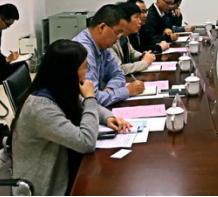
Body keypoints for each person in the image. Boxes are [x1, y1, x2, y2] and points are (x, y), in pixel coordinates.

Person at [12, 40, 132, 196]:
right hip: (47, 188)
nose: (86, 73)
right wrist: (90, 98)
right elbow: (86, 142)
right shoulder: (40, 108)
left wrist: (108, 117)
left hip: (67, 169)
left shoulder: (59, 89)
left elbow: (88, 106)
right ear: (68, 71)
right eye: (84, 67)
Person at [73, 5, 145, 107]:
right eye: (118, 33)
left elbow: (118, 74)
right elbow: (91, 98)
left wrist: (109, 91)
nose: (118, 38)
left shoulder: (103, 45)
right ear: (102, 27)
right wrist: (126, 91)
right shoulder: (84, 51)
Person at [111, 3, 157, 76]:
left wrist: (143, 56)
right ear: (124, 19)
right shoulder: (111, 40)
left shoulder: (125, 37)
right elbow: (119, 69)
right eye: (136, 17)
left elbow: (132, 53)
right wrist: (144, 63)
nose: (140, 21)